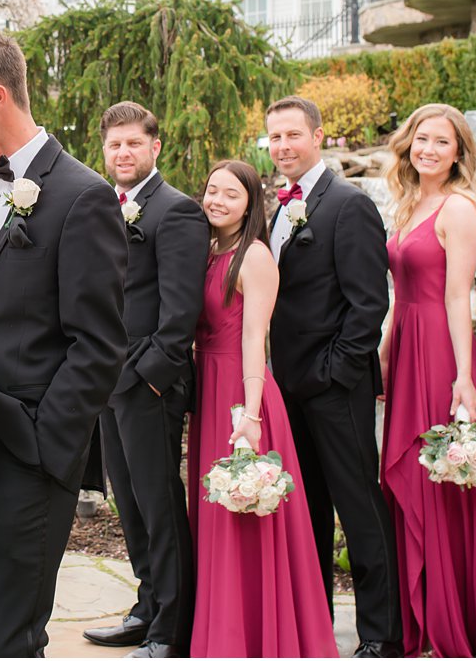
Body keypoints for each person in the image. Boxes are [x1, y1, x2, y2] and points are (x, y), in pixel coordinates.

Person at [0, 29, 128, 658]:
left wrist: (47, 444)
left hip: (33, 455)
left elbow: (97, 344)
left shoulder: (82, 195)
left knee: (15, 638)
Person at [377, 105, 476, 658]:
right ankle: (418, 615)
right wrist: (386, 351)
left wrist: (465, 376)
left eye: (442, 142)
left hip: (440, 347)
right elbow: (399, 292)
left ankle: (452, 621)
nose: (429, 149)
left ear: (459, 152)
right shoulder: (410, 202)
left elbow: (460, 295)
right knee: (411, 477)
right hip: (408, 341)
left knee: (440, 479)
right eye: (421, 139)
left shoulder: (458, 208)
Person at [264, 95, 401, 658]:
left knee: (358, 509)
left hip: (335, 388)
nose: (283, 147)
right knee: (310, 509)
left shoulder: (347, 204)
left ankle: (381, 634)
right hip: (288, 388)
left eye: (293, 135)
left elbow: (369, 303)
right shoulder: (278, 207)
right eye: (274, 138)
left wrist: (333, 371)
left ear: (318, 136)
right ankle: (315, 622)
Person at [187, 160, 336, 658]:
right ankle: (217, 629)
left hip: (238, 390)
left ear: (251, 203)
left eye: (231, 194)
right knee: (213, 514)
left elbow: (255, 339)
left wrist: (249, 414)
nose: (218, 201)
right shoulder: (207, 249)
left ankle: (252, 635)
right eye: (212, 191)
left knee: (243, 514)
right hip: (206, 385)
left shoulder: (253, 256)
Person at [85, 102, 205, 658]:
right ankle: (146, 606)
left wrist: (150, 378)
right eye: (115, 145)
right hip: (105, 382)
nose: (123, 153)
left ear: (154, 147)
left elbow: (181, 314)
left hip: (148, 386)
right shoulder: (105, 206)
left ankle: (170, 629)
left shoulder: (175, 212)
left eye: (134, 143)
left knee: (158, 504)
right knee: (129, 505)